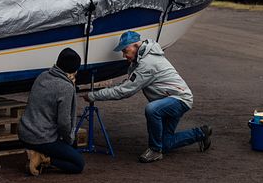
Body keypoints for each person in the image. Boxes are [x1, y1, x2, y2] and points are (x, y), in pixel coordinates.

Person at [83, 30, 211, 163]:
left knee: (152, 110)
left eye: (125, 50)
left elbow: (125, 91)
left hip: (179, 99)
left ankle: (155, 151)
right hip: (170, 99)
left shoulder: (147, 63)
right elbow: (126, 84)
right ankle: (202, 133)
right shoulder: (141, 59)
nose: (124, 55)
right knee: (165, 144)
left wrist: (93, 95)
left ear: (135, 46)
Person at [19, 48, 85, 176]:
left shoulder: (42, 76)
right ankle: (43, 158)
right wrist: (70, 141)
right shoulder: (66, 87)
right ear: (74, 70)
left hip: (24, 132)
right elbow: (64, 122)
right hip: (41, 137)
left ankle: (40, 153)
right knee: (78, 163)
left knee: (70, 149)